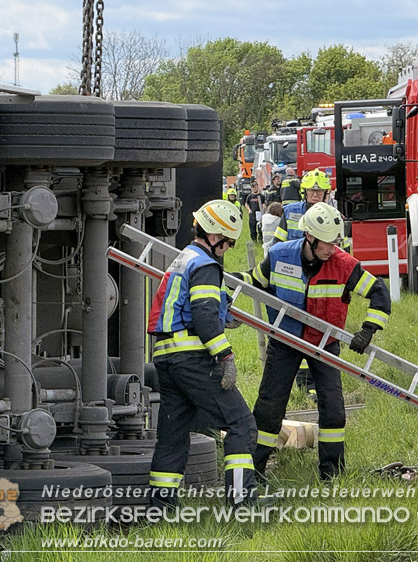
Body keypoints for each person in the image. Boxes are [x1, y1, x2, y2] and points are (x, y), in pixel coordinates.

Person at [238, 202, 391, 479]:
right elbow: (255, 281)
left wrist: (368, 330)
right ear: (309, 236)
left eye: (336, 242)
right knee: (269, 407)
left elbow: (379, 292)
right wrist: (233, 281)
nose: (332, 249)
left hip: (325, 344)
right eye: (327, 244)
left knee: (333, 409)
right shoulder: (279, 255)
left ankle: (331, 475)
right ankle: (254, 472)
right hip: (285, 339)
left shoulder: (345, 265)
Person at [147, 200, 258, 506]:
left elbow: (194, 309)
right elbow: (204, 317)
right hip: (192, 359)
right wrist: (227, 357)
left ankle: (161, 508)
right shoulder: (207, 266)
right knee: (240, 424)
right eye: (228, 242)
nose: (229, 247)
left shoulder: (184, 259)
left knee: (173, 434)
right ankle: (241, 503)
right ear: (214, 236)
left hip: (166, 359)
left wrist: (224, 316)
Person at [273, 168, 331, 245]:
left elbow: (343, 249)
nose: (315, 195)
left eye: (320, 191)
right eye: (311, 190)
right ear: (305, 191)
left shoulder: (333, 215)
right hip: (295, 256)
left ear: (325, 193)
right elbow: (277, 243)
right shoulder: (290, 211)